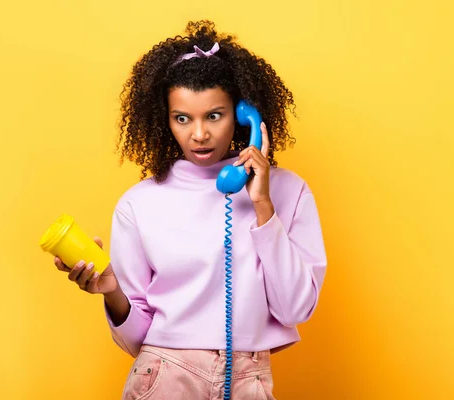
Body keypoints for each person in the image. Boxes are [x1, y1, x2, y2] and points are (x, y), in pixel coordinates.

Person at [54, 20, 327, 400]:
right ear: (165, 120)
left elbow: (296, 308)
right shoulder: (139, 203)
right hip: (165, 375)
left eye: (214, 115)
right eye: (183, 118)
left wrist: (263, 205)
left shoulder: (288, 191)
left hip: (250, 378)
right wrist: (110, 290)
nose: (198, 134)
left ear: (243, 115)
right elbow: (136, 340)